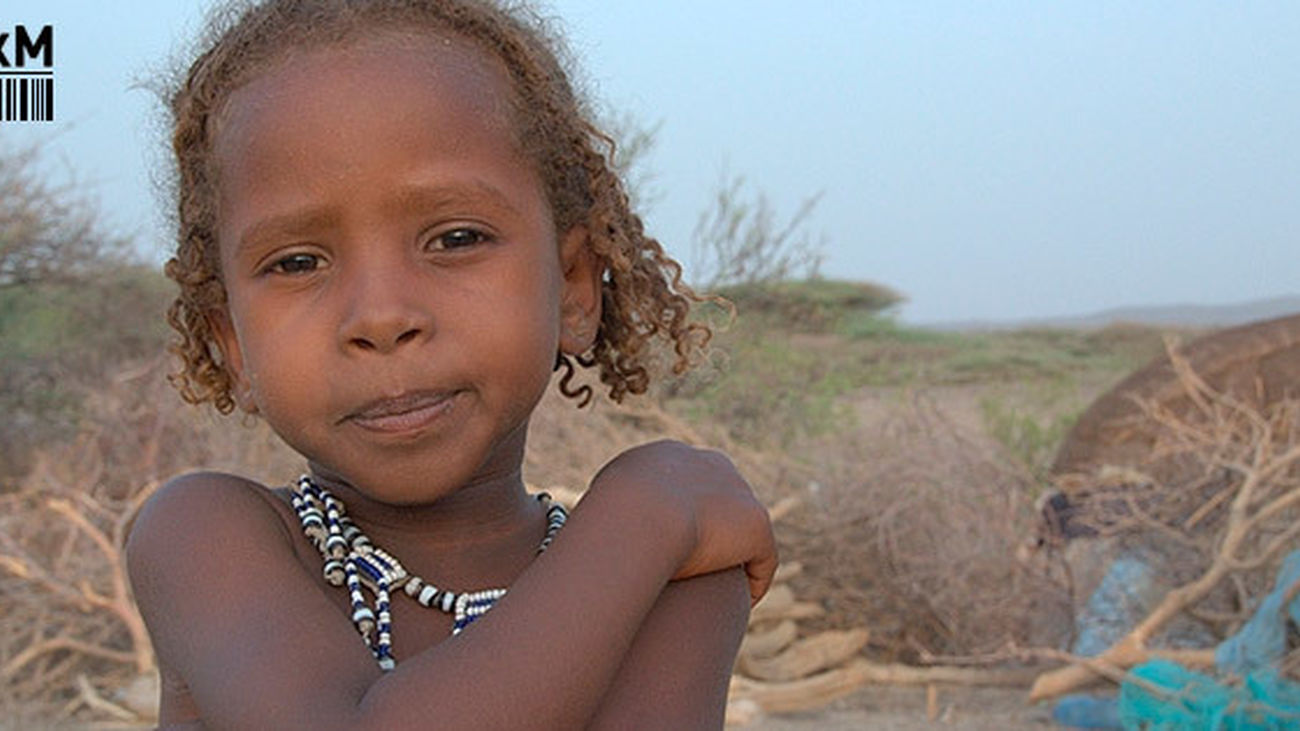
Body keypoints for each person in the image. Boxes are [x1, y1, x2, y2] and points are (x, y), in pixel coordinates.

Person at [126, 0, 777, 728]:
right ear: (233, 343)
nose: (381, 316)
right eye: (298, 261)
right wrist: (641, 513)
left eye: (456, 237)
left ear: (571, 286)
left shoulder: (675, 572)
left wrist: (651, 530)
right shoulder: (204, 539)